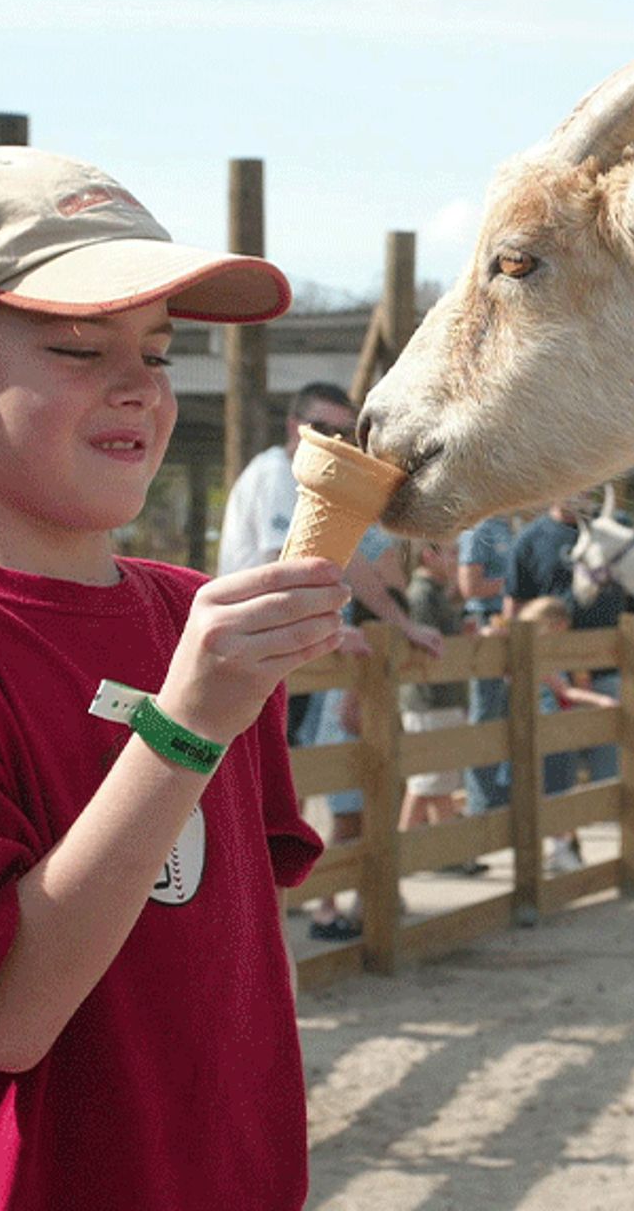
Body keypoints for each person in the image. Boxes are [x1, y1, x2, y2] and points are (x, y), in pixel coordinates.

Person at [0, 146, 340, 1210]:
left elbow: (220, 967)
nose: (140, 386)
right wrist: (186, 725)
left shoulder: (190, 615)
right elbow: (4, 1021)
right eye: (74, 346)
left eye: (157, 351)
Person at [217, 383, 441, 942]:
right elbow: (276, 564)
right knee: (283, 789)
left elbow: (350, 568)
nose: (339, 442)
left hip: (292, 651)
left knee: (316, 780)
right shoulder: (276, 476)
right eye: (328, 429)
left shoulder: (317, 487)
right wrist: (338, 630)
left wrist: (400, 624)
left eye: (347, 433)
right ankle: (292, 913)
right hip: (264, 652)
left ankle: (309, 906)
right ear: (296, 427)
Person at [506, 494, 634, 871]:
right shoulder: (530, 540)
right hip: (554, 669)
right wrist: (515, 662)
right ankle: (564, 846)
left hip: (609, 666)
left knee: (609, 769)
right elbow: (514, 606)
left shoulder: (615, 527)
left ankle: (601, 853)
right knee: (555, 770)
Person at [396, 542, 485, 874]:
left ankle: (446, 854)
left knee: (438, 780)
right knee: (426, 781)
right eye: (451, 553)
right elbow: (422, 649)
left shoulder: (436, 593)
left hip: (442, 698)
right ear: (428, 555)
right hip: (427, 699)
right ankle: (404, 856)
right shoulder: (421, 595)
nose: (458, 560)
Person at [515, 597, 619, 874]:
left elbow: (567, 690)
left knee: (559, 787)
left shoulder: (548, 656)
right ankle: (561, 850)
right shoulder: (536, 655)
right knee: (553, 790)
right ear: (554, 625)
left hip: (558, 726)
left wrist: (598, 701)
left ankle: (564, 848)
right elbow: (564, 691)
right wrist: (600, 701)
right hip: (546, 727)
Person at [456, 513, 514, 814]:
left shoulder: (506, 525)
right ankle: (480, 802)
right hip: (485, 624)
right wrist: (513, 583)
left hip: (506, 624)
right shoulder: (478, 530)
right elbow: (469, 586)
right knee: (484, 712)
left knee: (503, 713)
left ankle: (497, 797)